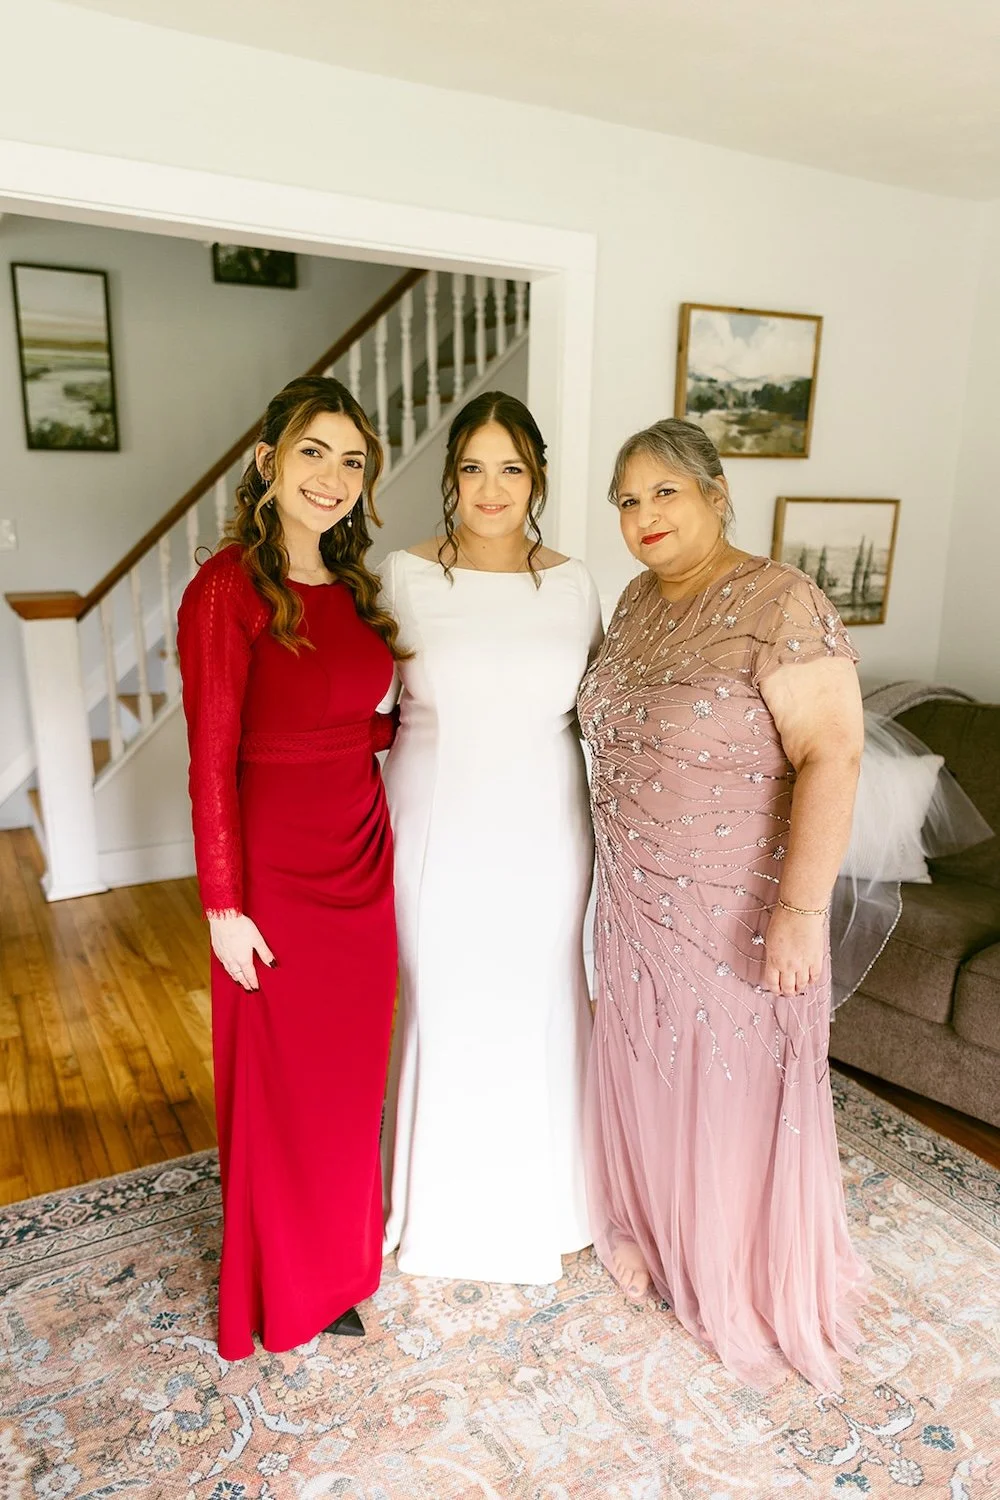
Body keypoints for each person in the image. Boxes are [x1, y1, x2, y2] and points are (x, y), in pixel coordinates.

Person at [579, 417, 869, 1392]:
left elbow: (833, 751)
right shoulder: (631, 601)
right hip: (631, 898)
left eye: (664, 490)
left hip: (735, 902)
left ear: (714, 492)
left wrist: (799, 909)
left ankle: (736, 1270)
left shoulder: (781, 601)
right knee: (652, 1070)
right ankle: (660, 1235)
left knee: (729, 1082)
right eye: (626, 499)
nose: (643, 514)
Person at [176, 375, 404, 1361]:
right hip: (275, 876)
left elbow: (364, 719)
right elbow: (211, 758)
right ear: (268, 461)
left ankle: (341, 1271)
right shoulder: (224, 588)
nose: (334, 476)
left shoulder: (355, 590)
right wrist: (223, 903)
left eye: (352, 460)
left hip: (363, 860)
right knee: (279, 1092)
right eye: (314, 451)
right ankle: (280, 1287)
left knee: (348, 1091)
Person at [379, 392, 601, 1284]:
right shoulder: (403, 576)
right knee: (444, 1004)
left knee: (543, 1005)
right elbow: (367, 707)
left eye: (510, 467)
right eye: (473, 467)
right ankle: (435, 1209)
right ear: (451, 478)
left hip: (548, 829)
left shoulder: (578, 583)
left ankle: (552, 1205)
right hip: (432, 823)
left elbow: (598, 716)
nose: (491, 487)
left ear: (536, 477)